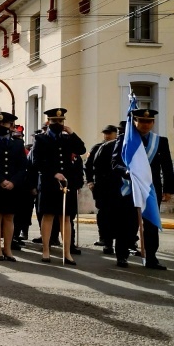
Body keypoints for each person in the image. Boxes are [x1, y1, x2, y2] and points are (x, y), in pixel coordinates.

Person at [112, 108, 173, 269]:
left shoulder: (160, 141)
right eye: (141, 121)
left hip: (151, 190)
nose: (145, 124)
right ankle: (122, 255)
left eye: (149, 121)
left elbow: (167, 167)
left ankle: (151, 257)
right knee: (128, 224)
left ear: (153, 123)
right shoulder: (125, 139)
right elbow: (114, 164)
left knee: (151, 224)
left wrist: (168, 189)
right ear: (134, 122)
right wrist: (126, 172)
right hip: (129, 188)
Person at [28, 108, 86, 265]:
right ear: (49, 122)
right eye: (55, 121)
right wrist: (53, 173)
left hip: (66, 185)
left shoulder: (68, 139)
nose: (58, 124)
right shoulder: (40, 139)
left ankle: (67, 253)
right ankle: (46, 250)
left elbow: (81, 149)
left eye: (61, 121)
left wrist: (72, 133)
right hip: (48, 183)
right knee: (48, 216)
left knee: (66, 218)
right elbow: (37, 162)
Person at [0, 112, 28, 261]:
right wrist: (1, 180)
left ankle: (7, 249)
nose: (2, 127)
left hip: (13, 186)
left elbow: (22, 166)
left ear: (11, 126)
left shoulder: (18, 143)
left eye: (5, 124)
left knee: (9, 217)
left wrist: (13, 181)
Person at [85, 124, 120, 254]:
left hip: (117, 186)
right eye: (105, 133)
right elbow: (88, 166)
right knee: (103, 213)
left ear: (115, 134)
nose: (106, 135)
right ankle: (105, 238)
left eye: (109, 133)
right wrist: (89, 181)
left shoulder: (121, 147)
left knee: (116, 215)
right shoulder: (98, 148)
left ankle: (119, 241)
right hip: (101, 186)